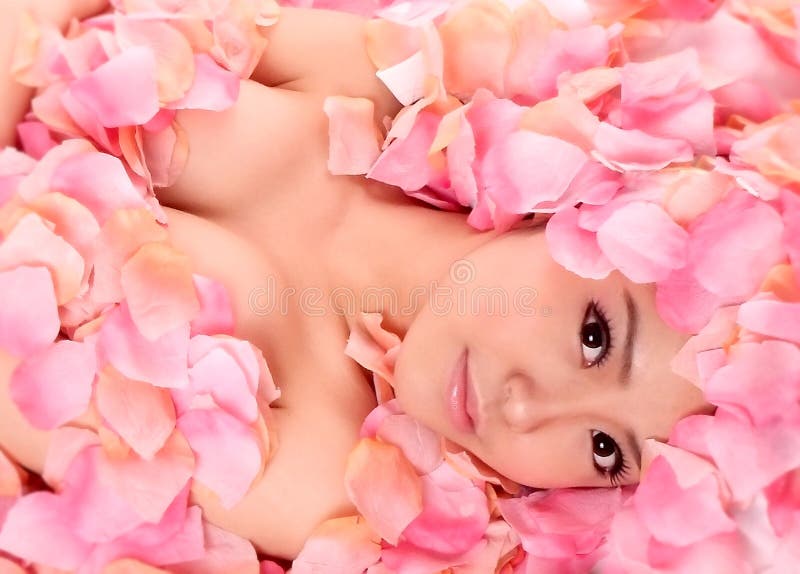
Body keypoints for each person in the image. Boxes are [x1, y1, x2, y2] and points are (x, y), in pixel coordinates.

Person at [0, 1, 712, 562]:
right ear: (590, 204)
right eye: (594, 337)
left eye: (605, 449)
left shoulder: (337, 491)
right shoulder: (390, 84)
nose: (527, 411)